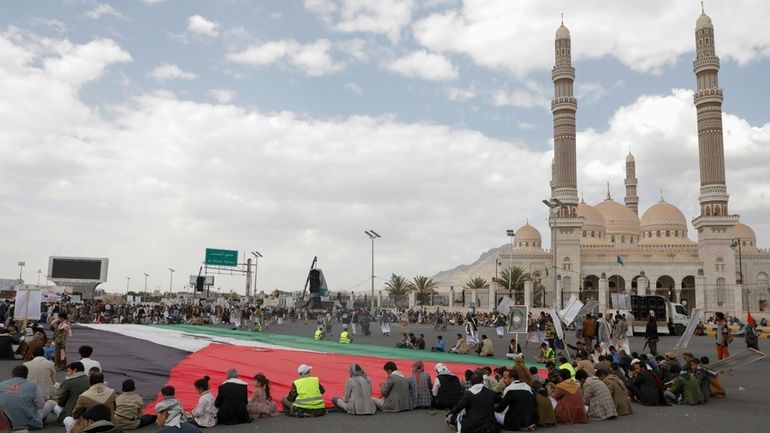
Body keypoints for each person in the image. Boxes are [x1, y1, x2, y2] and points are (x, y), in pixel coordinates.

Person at [0, 365, 44, 430]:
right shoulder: (34, 385)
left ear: (12, 374)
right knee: (49, 404)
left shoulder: (1, 385)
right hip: (26, 423)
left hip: (4, 422)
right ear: (27, 375)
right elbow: (40, 405)